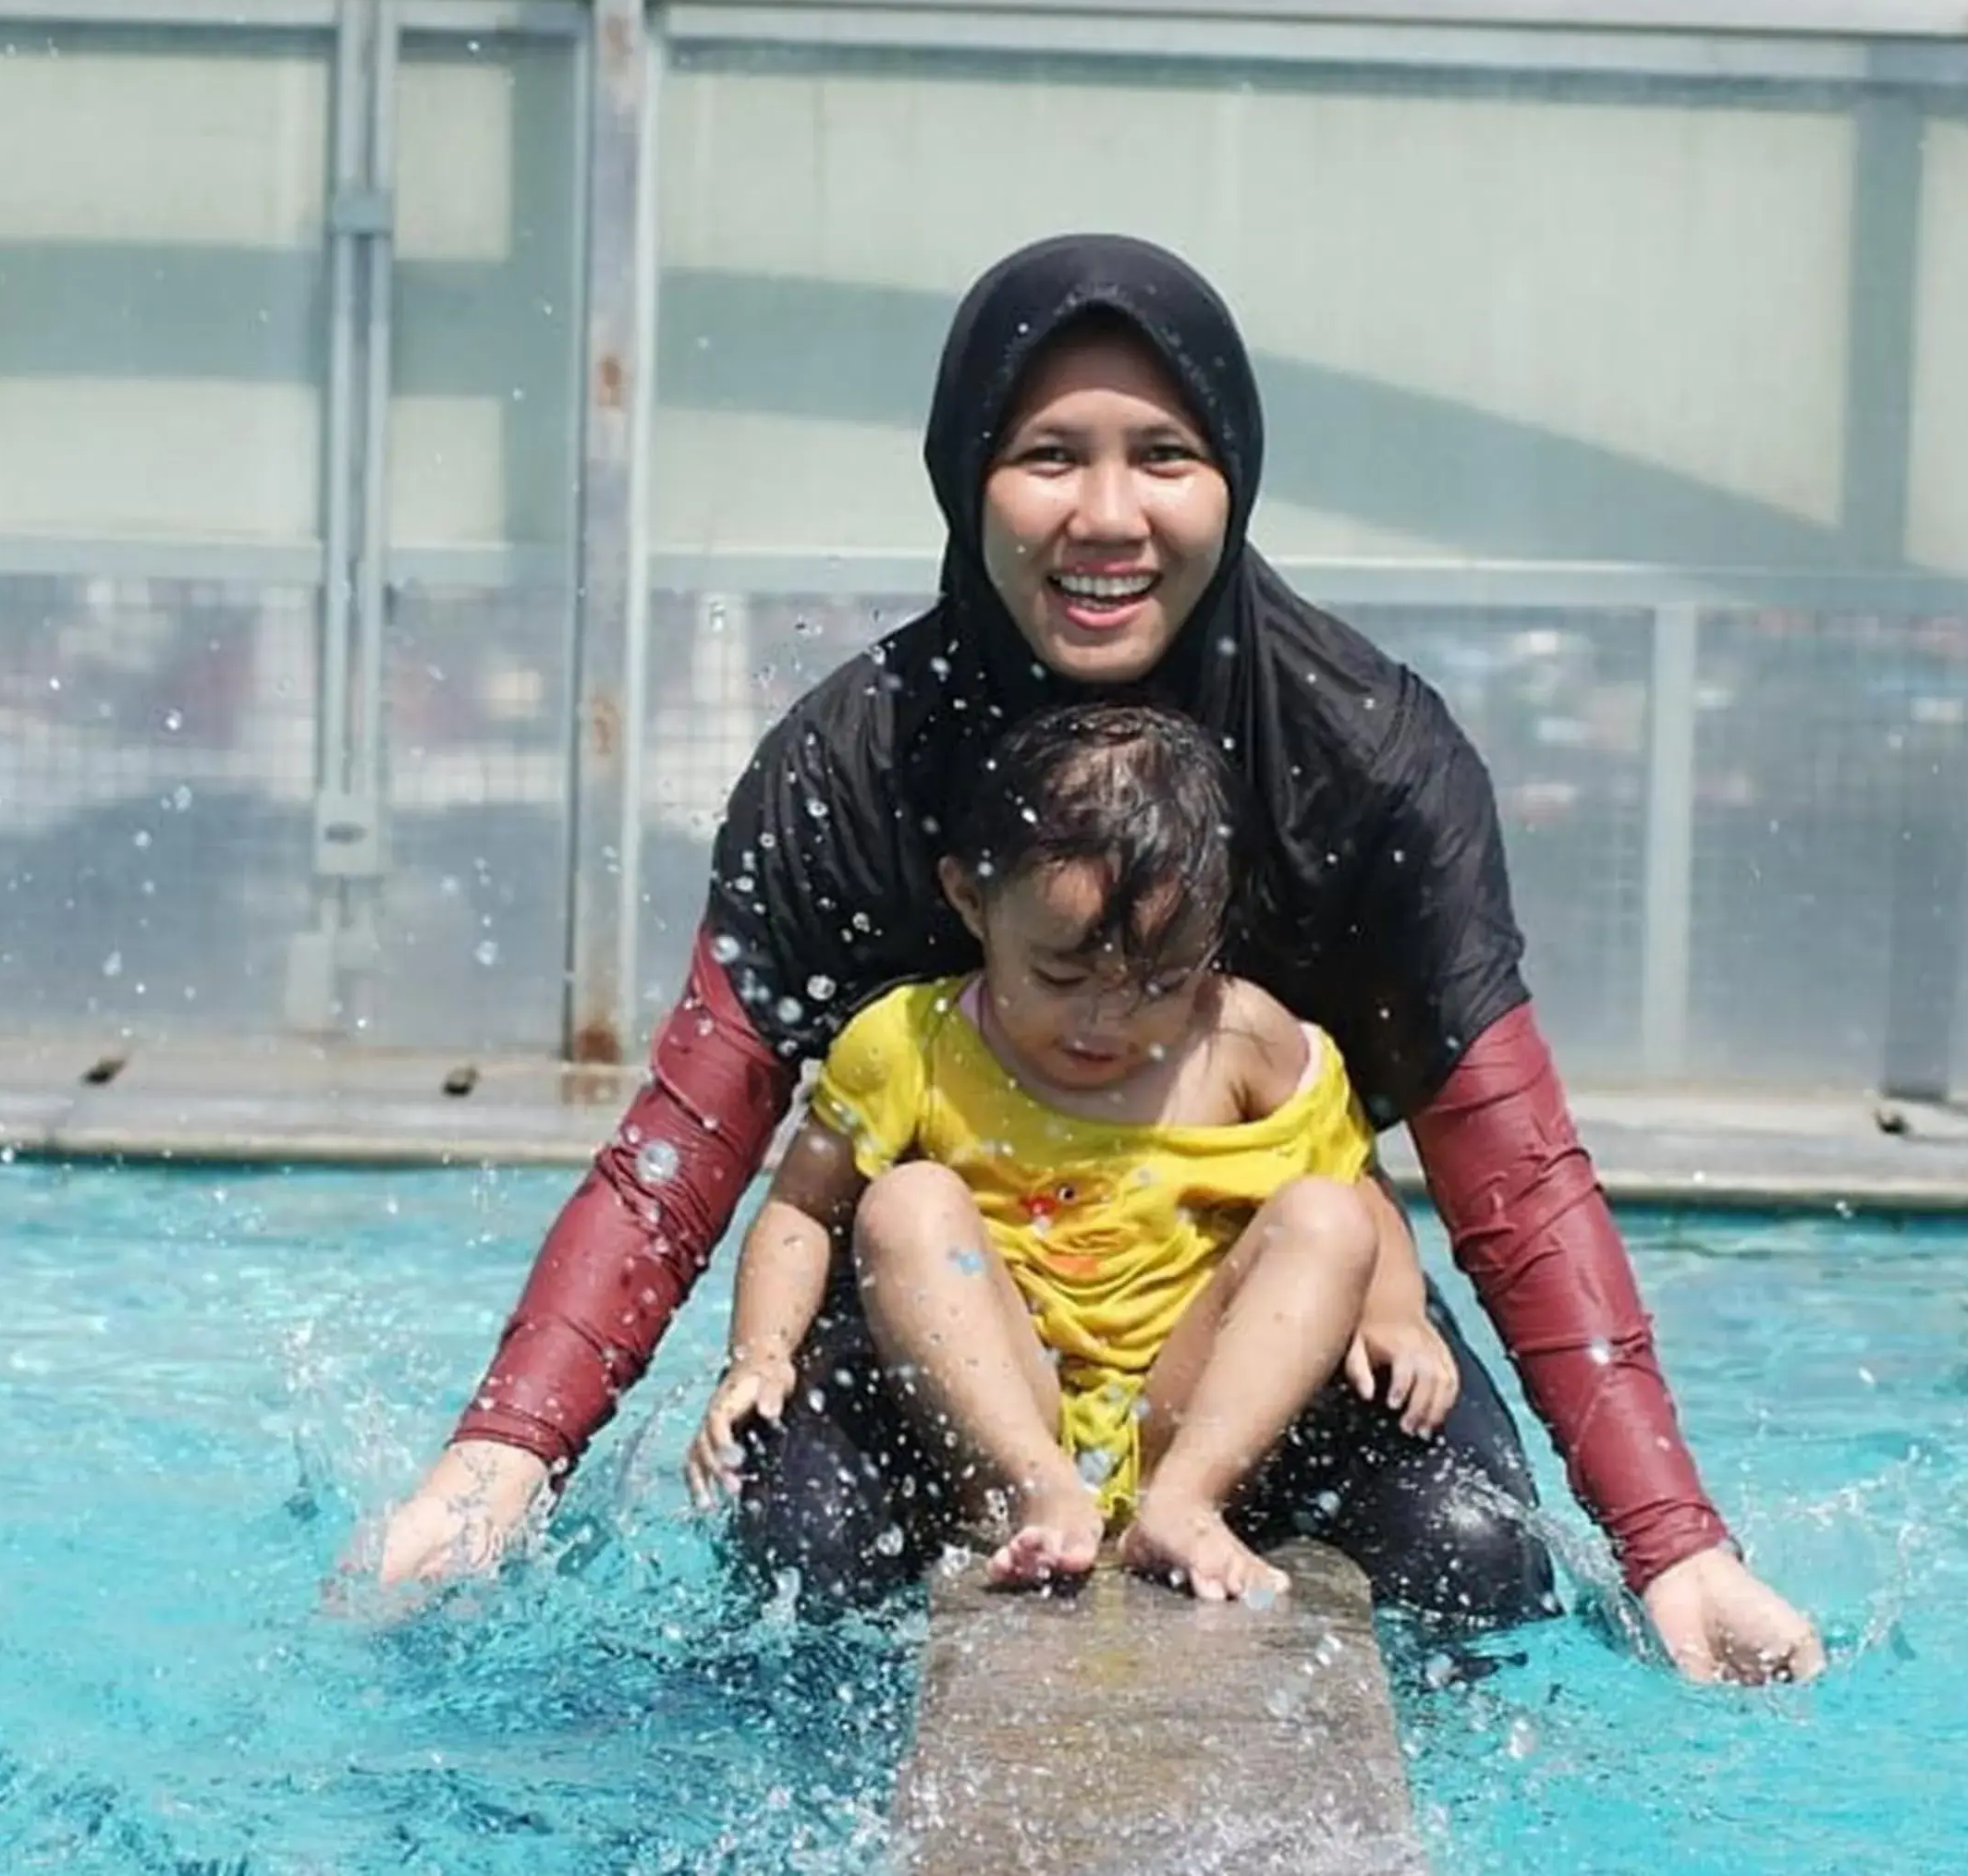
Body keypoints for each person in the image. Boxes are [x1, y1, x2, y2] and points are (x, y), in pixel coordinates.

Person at [372, 232, 1824, 1683]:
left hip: (1252, 1313)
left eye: (1168, 457)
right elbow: (684, 1148)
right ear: (965, 475)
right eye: (1050, 455)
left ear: (1235, 477)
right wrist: (502, 1455)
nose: (1111, 516)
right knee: (795, 1558)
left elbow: (1511, 1170)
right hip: (945, 1326)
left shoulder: (1370, 761)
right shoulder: (851, 766)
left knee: (1477, 1557)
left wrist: (1673, 1542)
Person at [683, 700, 1457, 1604]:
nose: (1104, 1019)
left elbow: (1357, 1191)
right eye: (1059, 975)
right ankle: (1030, 1490)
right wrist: (762, 1352)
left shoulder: (1245, 1042)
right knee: (906, 1201)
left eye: (1160, 982)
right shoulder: (909, 1043)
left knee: (1322, 1216)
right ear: (971, 899)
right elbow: (802, 1210)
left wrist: (1399, 1313)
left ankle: (1186, 1505)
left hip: (1188, 1403)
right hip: (1012, 1396)